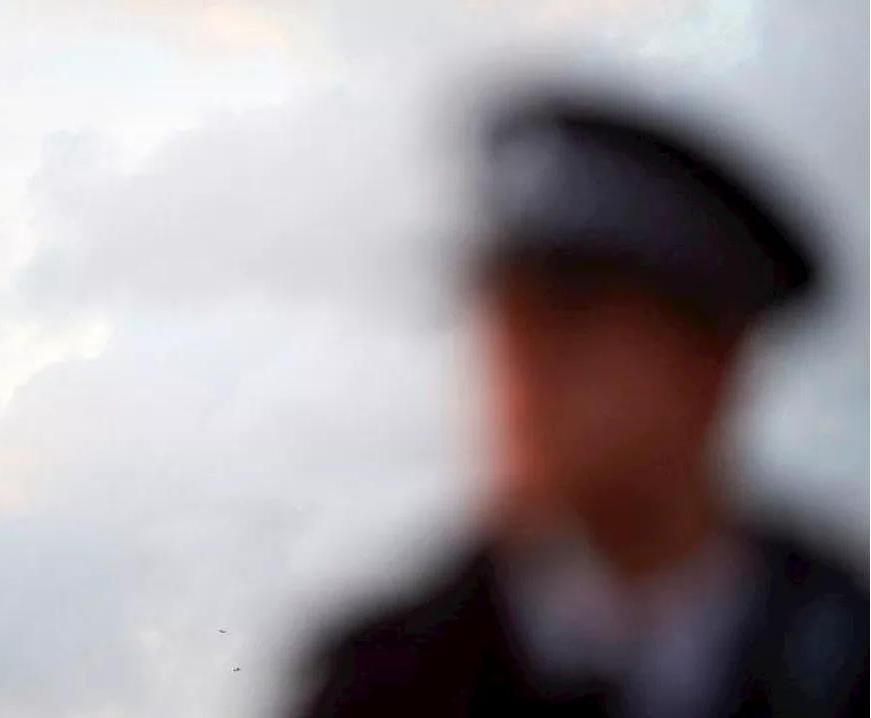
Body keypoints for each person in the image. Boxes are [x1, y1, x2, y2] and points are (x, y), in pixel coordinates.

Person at [288, 86, 871, 718]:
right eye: (501, 318)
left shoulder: (850, 660)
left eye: (568, 316)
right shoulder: (378, 688)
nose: (517, 368)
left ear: (712, 364)